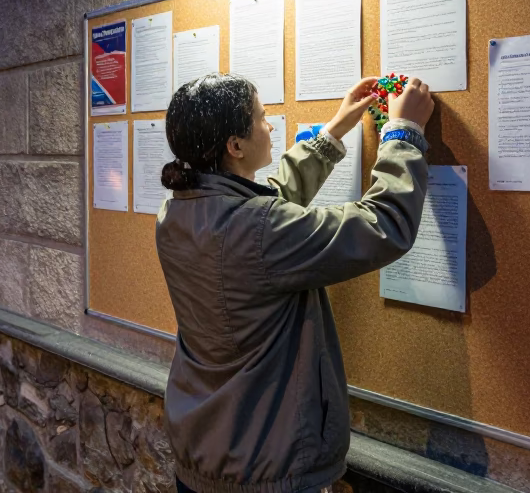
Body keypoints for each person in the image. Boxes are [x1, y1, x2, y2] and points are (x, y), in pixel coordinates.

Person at [156, 73, 434, 493]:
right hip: (264, 466)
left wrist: (332, 132)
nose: (270, 127)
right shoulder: (256, 228)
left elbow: (264, 203)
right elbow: (384, 225)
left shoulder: (177, 212)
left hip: (204, 451)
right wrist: (404, 132)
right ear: (235, 146)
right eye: (262, 118)